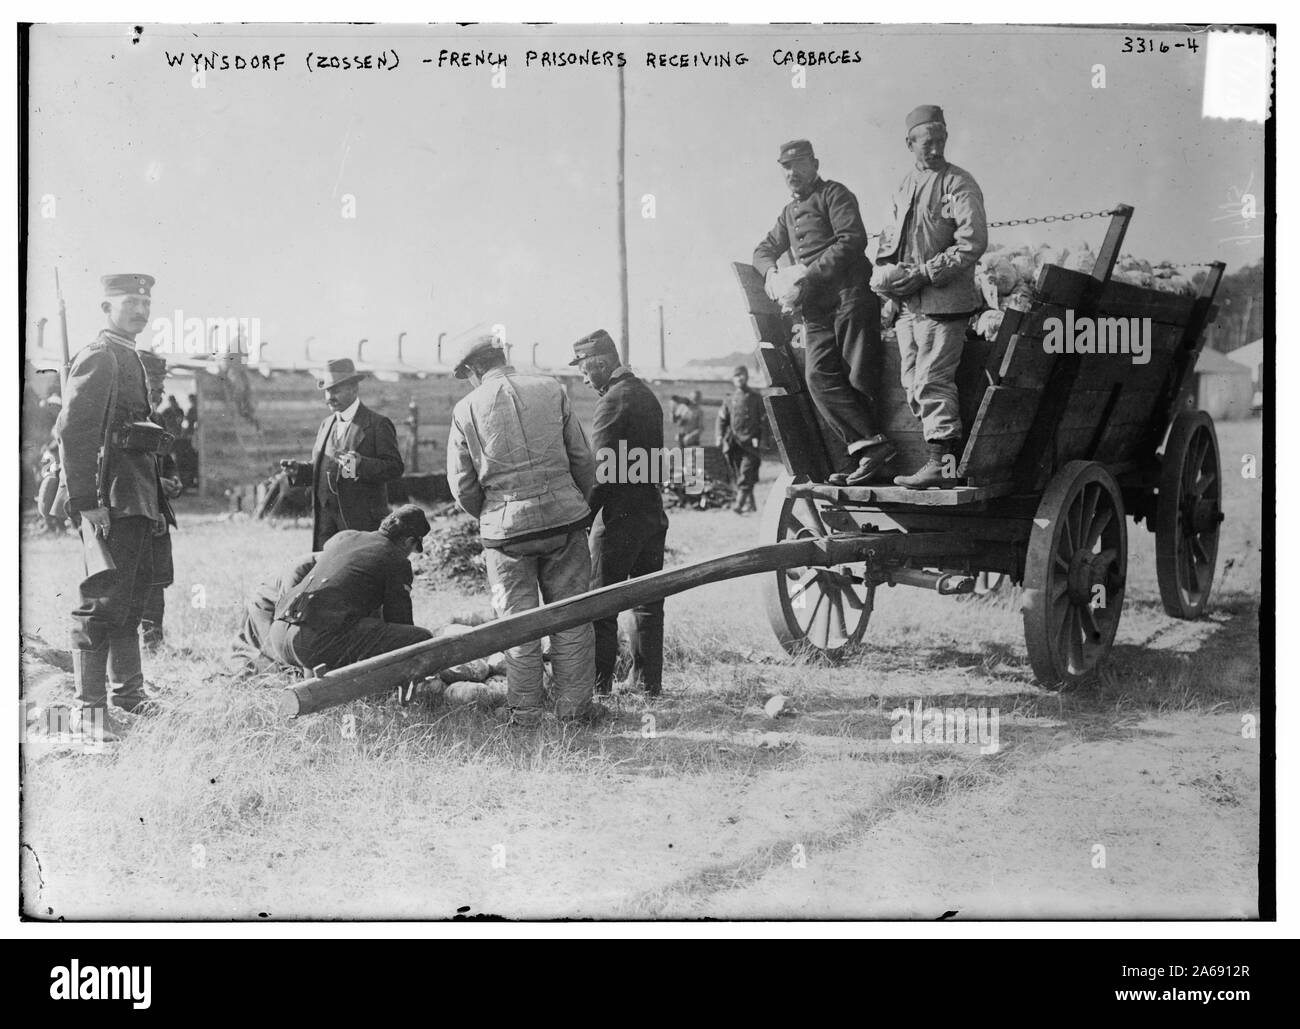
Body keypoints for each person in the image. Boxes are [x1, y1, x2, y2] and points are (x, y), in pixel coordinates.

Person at [448, 334, 599, 725]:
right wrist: (571, 502)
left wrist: (494, 513)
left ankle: (526, 710)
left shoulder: (466, 409)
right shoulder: (551, 388)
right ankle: (575, 709)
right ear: (502, 357)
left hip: (506, 534)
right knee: (572, 616)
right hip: (565, 522)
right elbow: (582, 457)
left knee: (516, 622)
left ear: (472, 369)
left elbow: (462, 485)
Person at [54, 273, 174, 739]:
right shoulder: (101, 357)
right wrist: (86, 501)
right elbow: (73, 430)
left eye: (146, 303)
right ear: (106, 308)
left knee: (133, 598)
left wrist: (157, 504)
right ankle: (89, 712)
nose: (140, 310)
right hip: (111, 501)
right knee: (100, 604)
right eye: (130, 303)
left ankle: (130, 694)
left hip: (138, 499)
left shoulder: (130, 356)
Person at [753, 139, 896, 486]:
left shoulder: (835, 194)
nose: (792, 173)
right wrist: (772, 273)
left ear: (815, 165)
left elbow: (851, 239)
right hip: (816, 309)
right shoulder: (788, 213)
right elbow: (763, 249)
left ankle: (870, 456)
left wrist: (806, 276)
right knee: (817, 376)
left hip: (849, 296)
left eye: (799, 164)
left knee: (857, 373)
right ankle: (870, 447)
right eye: (786, 168)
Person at [877, 105, 987, 488]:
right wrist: (890, 287)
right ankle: (937, 458)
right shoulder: (903, 187)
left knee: (931, 379)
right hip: (909, 307)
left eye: (941, 141)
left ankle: (942, 462)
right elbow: (892, 245)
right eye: (928, 143)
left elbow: (972, 243)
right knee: (910, 382)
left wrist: (925, 273)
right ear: (909, 144)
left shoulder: (958, 183)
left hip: (945, 304)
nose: (936, 150)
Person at [572, 329, 669, 698]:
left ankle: (599, 688)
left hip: (619, 520)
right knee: (648, 604)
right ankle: (648, 685)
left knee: (602, 604)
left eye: (583, 368)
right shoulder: (646, 394)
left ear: (599, 363)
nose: (582, 377)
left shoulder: (613, 401)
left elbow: (603, 471)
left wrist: (583, 518)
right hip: (651, 514)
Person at [264, 506, 433, 671]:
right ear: (409, 541)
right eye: (412, 549)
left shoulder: (350, 538)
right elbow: (399, 619)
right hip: (312, 644)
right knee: (420, 638)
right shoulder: (397, 559)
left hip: (280, 633)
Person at [280, 357, 405, 552]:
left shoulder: (377, 424)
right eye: (327, 391)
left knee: (357, 576)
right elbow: (322, 467)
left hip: (360, 522)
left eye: (335, 390)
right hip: (326, 523)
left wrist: (361, 464)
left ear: (354, 389)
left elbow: (395, 468)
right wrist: (300, 471)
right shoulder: (326, 424)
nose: (329, 397)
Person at [138, 350, 182, 651]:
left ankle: (154, 639)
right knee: (139, 577)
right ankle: (140, 640)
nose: (160, 393)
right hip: (138, 510)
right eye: (154, 387)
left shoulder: (154, 418)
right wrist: (158, 486)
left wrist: (174, 479)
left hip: (157, 511)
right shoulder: (129, 420)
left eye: (161, 387)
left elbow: (165, 459)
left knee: (157, 577)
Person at [718, 366, 765, 513]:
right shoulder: (729, 399)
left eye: (742, 375)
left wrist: (762, 440)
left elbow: (764, 421)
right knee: (740, 474)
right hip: (734, 443)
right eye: (736, 376)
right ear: (733, 380)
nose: (739, 378)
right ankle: (751, 505)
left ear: (747, 377)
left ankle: (738, 505)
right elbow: (721, 420)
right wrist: (719, 436)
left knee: (746, 472)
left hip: (751, 442)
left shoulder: (756, 398)